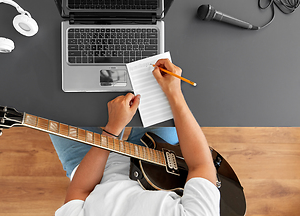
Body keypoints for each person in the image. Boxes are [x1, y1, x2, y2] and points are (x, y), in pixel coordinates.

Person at [49, 59, 220, 216]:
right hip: (157, 160)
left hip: (89, 169)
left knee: (50, 95)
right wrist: (174, 92)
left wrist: (112, 129)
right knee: (156, 77)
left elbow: (80, 190)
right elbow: (200, 165)